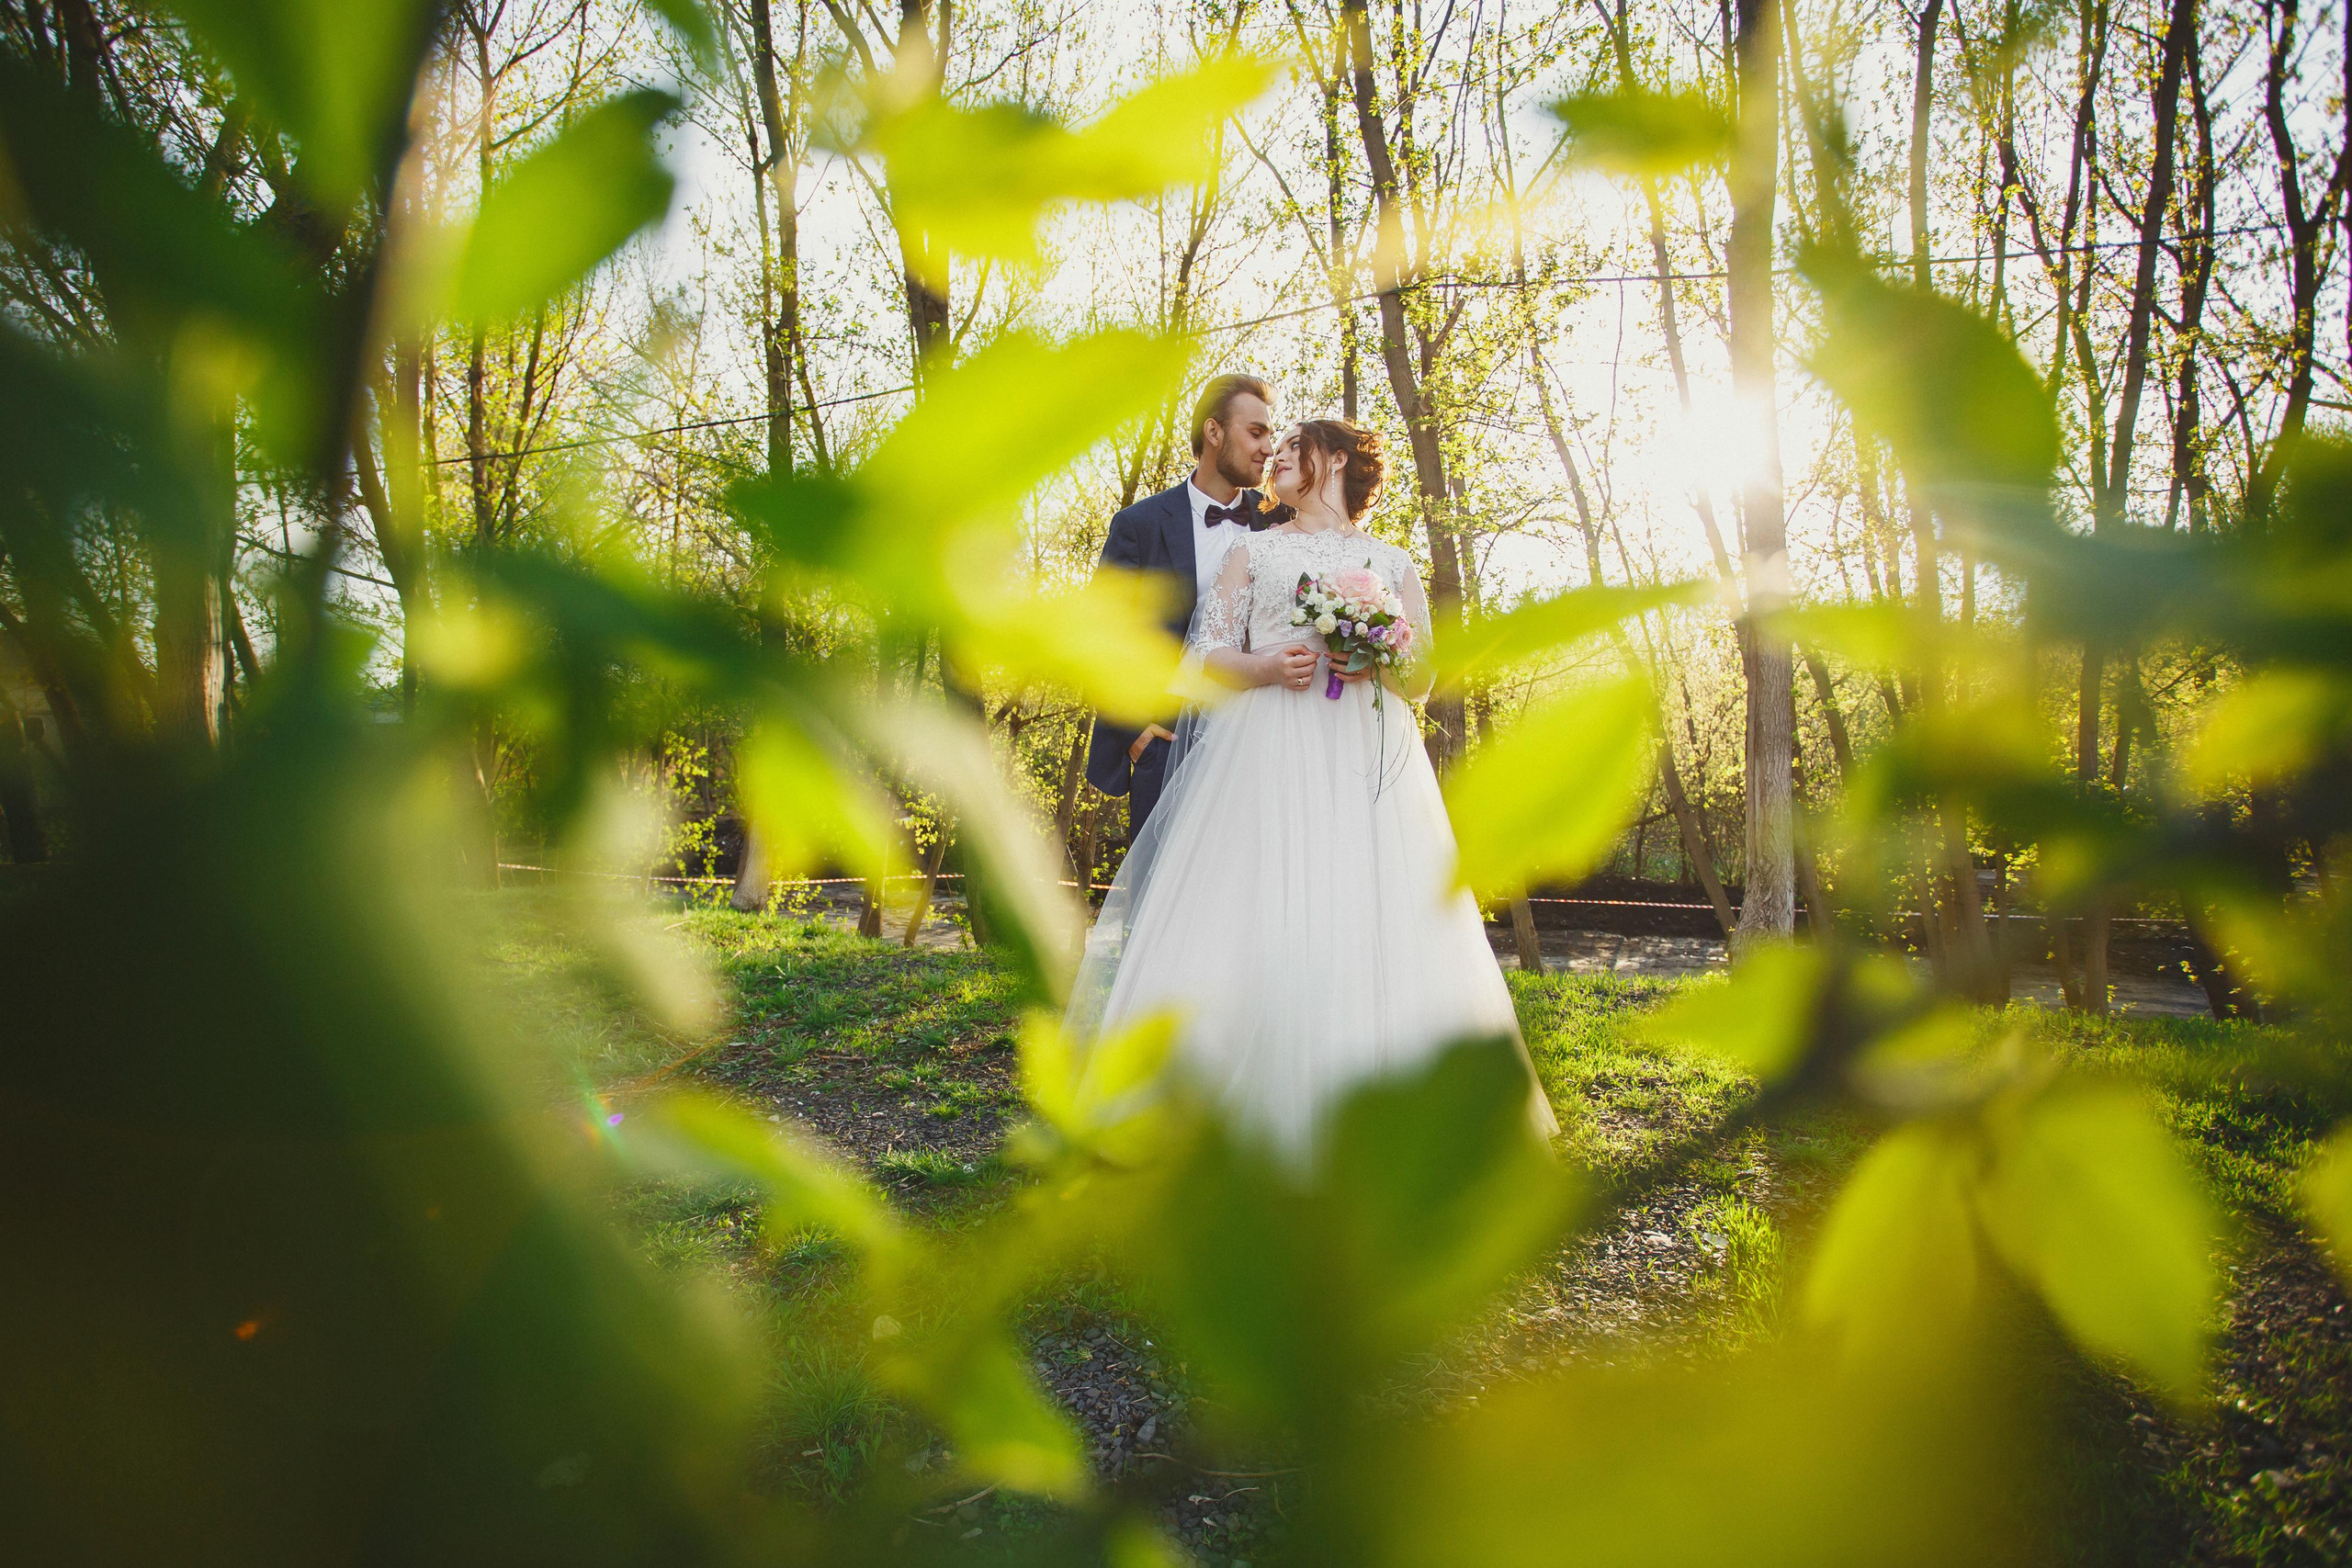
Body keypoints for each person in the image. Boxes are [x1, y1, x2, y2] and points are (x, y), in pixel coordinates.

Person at [1068, 419, 1559, 1159]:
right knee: (1250, 905)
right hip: (1264, 752)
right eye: (1277, 450)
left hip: (1366, 758)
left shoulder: (1392, 562)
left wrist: (1377, 659)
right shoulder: (1251, 550)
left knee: (1370, 909)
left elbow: (1421, 677)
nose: (1277, 461)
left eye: (1294, 450)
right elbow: (1207, 658)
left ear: (1333, 461)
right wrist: (1268, 668)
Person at [1083, 373, 1277, 840]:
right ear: (1214, 433)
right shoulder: (1140, 524)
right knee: (1156, 907)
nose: (1269, 448)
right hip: (1168, 744)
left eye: (1271, 434)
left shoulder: (1282, 520)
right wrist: (1135, 732)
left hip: (1266, 742)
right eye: (1256, 433)